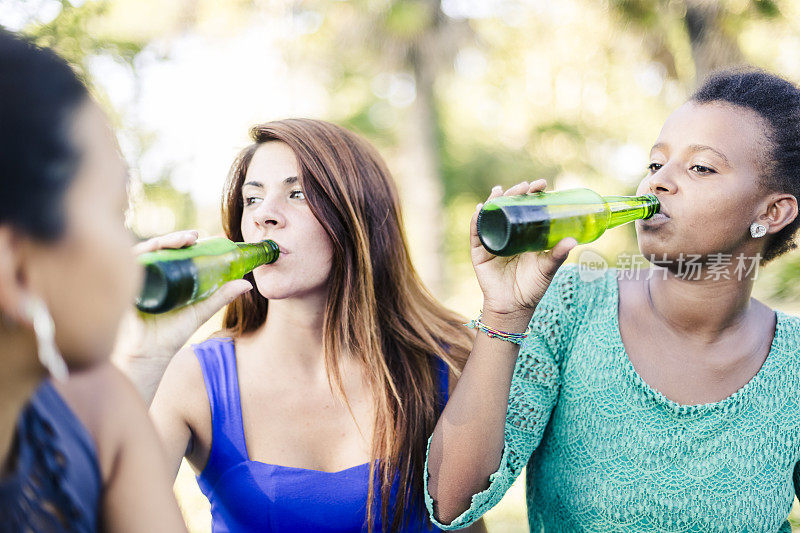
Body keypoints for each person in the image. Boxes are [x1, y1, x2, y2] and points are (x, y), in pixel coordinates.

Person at [425, 68, 800, 532]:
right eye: (655, 164)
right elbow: (451, 502)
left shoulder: (795, 361)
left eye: (700, 167)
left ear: (773, 211)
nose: (657, 184)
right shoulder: (570, 305)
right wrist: (505, 312)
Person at [122, 119, 485, 532]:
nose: (265, 217)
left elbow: (468, 522)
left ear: (356, 219)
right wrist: (140, 356)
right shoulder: (191, 380)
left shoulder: (447, 359)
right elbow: (92, 512)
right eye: (252, 199)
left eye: (297, 195)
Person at [0, 30, 189, 531]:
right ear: (17, 269)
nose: (133, 256)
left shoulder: (101, 408)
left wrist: (148, 356)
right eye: (113, 212)